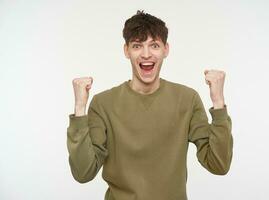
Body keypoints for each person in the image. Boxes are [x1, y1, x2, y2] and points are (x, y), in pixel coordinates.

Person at [67, 10, 233, 200]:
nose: (146, 54)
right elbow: (83, 173)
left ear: (166, 49)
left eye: (154, 45)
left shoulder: (187, 99)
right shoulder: (103, 103)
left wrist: (218, 104)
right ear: (126, 50)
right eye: (137, 45)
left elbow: (219, 165)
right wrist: (80, 110)